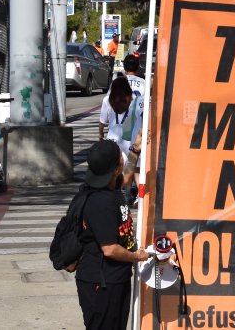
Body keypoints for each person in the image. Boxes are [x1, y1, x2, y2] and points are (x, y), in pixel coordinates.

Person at [75, 140, 151, 329]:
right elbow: (109, 249)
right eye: (121, 158)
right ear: (115, 168)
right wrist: (136, 256)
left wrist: (135, 150)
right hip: (102, 284)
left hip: (115, 279)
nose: (122, 160)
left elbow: (125, 178)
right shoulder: (100, 202)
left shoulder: (110, 185)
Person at [98, 77, 144, 201]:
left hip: (114, 139)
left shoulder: (107, 99)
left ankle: (125, 194)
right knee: (135, 169)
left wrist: (100, 134)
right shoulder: (138, 100)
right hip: (132, 140)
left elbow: (102, 121)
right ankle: (138, 196)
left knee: (117, 171)